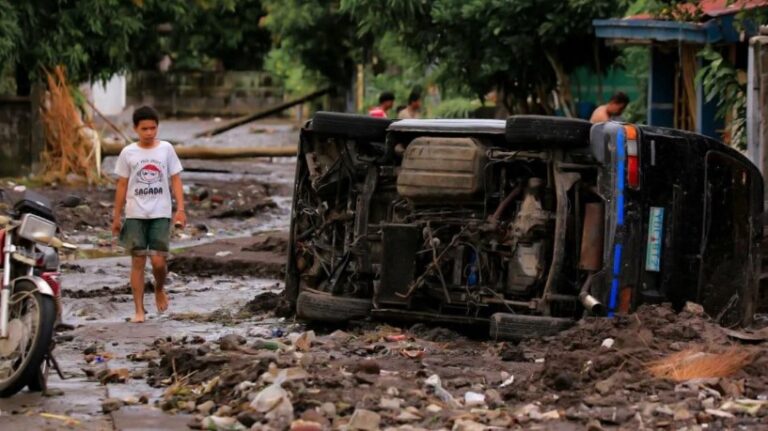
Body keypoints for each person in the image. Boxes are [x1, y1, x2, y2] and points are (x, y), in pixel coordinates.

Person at [112, 106, 186, 323]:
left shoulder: (166, 149)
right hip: (135, 213)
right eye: (144, 128)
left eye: (153, 128)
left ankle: (159, 288)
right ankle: (139, 310)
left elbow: (176, 179)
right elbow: (122, 185)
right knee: (137, 261)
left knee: (158, 262)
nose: (149, 133)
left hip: (160, 212)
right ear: (135, 129)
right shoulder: (128, 153)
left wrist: (180, 209)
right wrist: (116, 217)